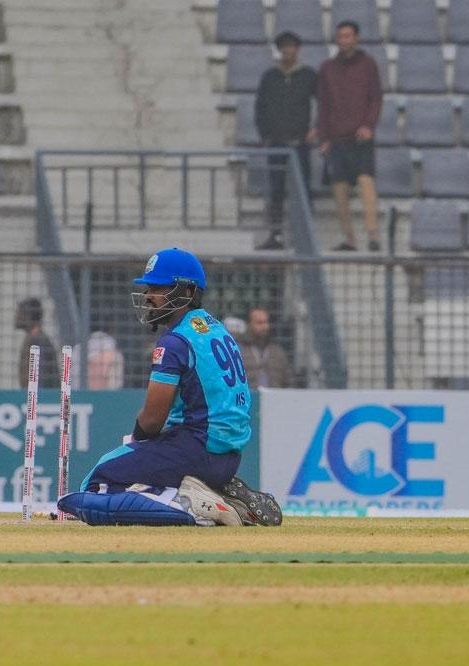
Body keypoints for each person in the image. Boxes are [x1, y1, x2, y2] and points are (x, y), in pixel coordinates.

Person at [57, 248, 283, 527]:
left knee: (95, 485)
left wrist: (137, 441)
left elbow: (153, 419)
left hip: (195, 449)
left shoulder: (175, 341)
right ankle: (213, 494)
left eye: (157, 288)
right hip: (227, 457)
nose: (148, 295)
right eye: (148, 288)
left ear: (187, 292)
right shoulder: (216, 328)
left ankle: (191, 505)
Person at [315, 20, 383, 252]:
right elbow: (323, 105)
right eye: (340, 36)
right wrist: (323, 137)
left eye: (348, 36)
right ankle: (349, 239)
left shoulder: (368, 64)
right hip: (336, 138)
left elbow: (376, 99)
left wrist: (369, 125)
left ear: (356, 38)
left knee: (366, 182)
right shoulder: (327, 68)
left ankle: (372, 234)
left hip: (361, 137)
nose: (344, 40)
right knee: (339, 189)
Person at [254, 30, 317, 250]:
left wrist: (317, 128)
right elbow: (260, 107)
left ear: (297, 49)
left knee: (303, 190)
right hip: (276, 143)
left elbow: (326, 103)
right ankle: (276, 234)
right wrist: (265, 135)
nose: (288, 50)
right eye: (284, 47)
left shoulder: (308, 75)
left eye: (292, 46)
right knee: (276, 190)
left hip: (300, 143)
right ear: (280, 50)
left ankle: (306, 235)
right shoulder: (270, 77)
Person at [240, 308, 293, 390]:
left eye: (266, 322)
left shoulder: (277, 352)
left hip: (275, 396)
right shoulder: (240, 351)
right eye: (259, 323)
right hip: (249, 396)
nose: (265, 326)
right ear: (249, 325)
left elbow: (289, 382)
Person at [15, 297, 58, 389]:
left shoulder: (39, 341)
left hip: (39, 396)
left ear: (28, 315)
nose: (17, 316)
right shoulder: (35, 339)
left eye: (20, 313)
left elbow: (42, 377)